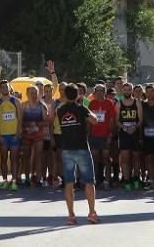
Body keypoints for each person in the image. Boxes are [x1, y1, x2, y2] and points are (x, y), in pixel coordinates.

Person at [56, 84, 100, 225]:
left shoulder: (60, 110)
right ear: (78, 95)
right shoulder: (81, 108)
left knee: (69, 183)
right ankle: (92, 213)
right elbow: (95, 120)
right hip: (82, 148)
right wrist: (84, 107)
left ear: (65, 95)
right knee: (89, 181)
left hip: (67, 149)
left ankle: (71, 215)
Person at [0, 80, 22, 190]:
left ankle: (14, 181)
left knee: (14, 159)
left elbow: (20, 119)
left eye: (6, 87)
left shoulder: (16, 101)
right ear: (0, 89)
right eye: (2, 87)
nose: (4, 89)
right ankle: (4, 181)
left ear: (10, 88)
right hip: (3, 136)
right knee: (4, 159)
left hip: (14, 135)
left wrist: (17, 134)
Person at [115, 82, 142, 190]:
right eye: (125, 90)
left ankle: (136, 179)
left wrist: (134, 127)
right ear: (122, 91)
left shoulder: (137, 103)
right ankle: (126, 180)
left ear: (132, 91)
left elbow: (141, 120)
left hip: (135, 133)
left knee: (136, 158)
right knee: (125, 159)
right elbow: (117, 121)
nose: (127, 92)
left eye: (128, 90)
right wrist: (125, 128)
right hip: (124, 133)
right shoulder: (119, 104)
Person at [87, 84, 114, 187]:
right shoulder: (92, 104)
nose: (99, 92)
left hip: (105, 135)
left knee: (106, 158)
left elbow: (111, 120)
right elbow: (89, 121)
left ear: (104, 92)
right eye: (97, 90)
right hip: (93, 135)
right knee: (94, 158)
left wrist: (110, 134)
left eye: (101, 90)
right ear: (94, 92)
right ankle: (96, 180)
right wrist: (88, 134)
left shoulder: (109, 103)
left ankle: (107, 180)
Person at [21, 85, 48, 187]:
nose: (34, 95)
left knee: (38, 156)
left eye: (35, 92)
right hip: (26, 133)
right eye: (31, 93)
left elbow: (46, 122)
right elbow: (20, 120)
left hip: (38, 134)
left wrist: (36, 125)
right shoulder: (23, 105)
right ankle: (27, 179)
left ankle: (38, 179)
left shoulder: (42, 106)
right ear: (27, 94)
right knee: (26, 156)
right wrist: (27, 126)